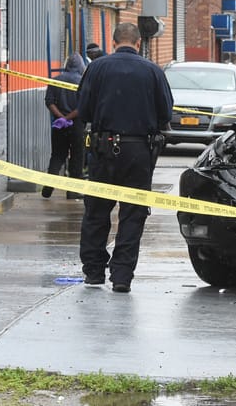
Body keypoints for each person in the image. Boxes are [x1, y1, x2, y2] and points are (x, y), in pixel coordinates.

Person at [75, 22, 173, 293]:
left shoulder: (96, 68)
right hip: (139, 152)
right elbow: (165, 113)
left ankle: (94, 272)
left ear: (113, 41)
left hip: (103, 148)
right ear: (139, 43)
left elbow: (82, 110)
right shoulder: (153, 71)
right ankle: (122, 276)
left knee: (96, 212)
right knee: (133, 214)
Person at [41, 53, 86, 200]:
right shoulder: (83, 83)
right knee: (77, 156)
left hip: (59, 125)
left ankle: (49, 186)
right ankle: (72, 191)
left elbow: (49, 102)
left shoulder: (56, 80)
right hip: (77, 125)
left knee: (57, 155)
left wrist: (61, 118)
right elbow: (83, 107)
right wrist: (69, 117)